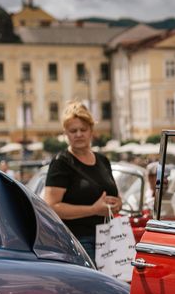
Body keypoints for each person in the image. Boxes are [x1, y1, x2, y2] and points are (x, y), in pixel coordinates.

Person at [42, 101, 122, 254]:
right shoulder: (61, 162)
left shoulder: (102, 160)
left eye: (83, 129)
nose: (79, 134)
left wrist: (117, 203)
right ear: (66, 133)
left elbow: (114, 194)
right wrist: (93, 210)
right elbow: (51, 207)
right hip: (78, 241)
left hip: (109, 238)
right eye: (73, 130)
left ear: (91, 130)